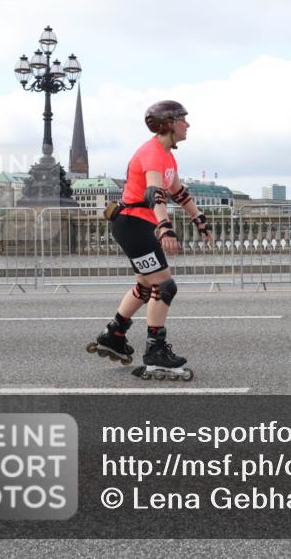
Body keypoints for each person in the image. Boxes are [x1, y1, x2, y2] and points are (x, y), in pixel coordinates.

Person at [86, 100, 214, 381]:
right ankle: (155, 350)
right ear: (168, 123)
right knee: (165, 285)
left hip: (136, 224)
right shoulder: (153, 153)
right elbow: (154, 193)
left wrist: (200, 220)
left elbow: (179, 193)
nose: (187, 124)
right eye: (183, 119)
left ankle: (114, 334)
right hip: (132, 224)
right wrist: (165, 227)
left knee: (146, 286)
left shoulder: (168, 155)